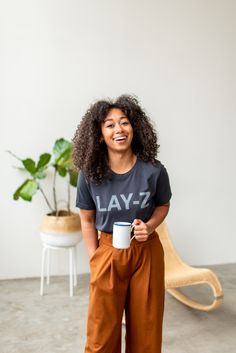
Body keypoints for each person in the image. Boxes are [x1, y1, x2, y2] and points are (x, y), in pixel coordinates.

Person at [72, 94, 172, 353]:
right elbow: (87, 219)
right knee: (100, 335)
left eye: (124, 122)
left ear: (134, 128)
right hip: (107, 252)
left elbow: (163, 205)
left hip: (146, 252)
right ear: (99, 134)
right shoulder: (89, 174)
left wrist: (149, 226)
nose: (119, 129)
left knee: (146, 333)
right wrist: (96, 259)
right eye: (110, 124)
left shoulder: (154, 170)